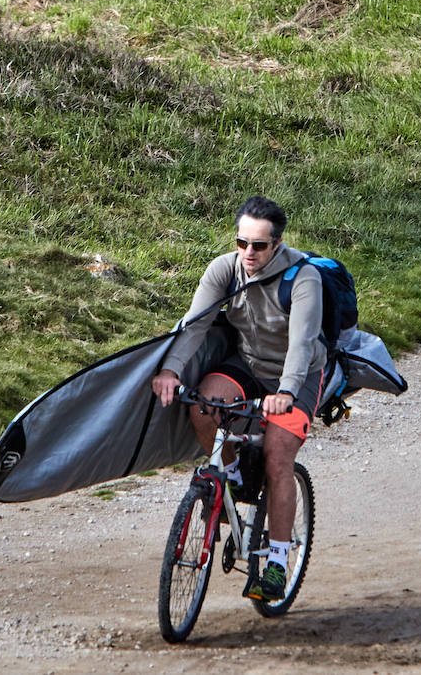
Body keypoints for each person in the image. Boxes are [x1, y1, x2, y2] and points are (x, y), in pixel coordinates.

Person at [151, 195, 328, 602]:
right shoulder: (224, 269)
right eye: (242, 242)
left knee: (279, 457)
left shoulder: (303, 279)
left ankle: (279, 565)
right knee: (203, 408)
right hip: (248, 363)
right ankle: (228, 489)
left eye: (260, 245)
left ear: (278, 244)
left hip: (297, 375)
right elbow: (193, 326)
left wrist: (285, 392)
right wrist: (170, 371)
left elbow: (301, 345)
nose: (249, 252)